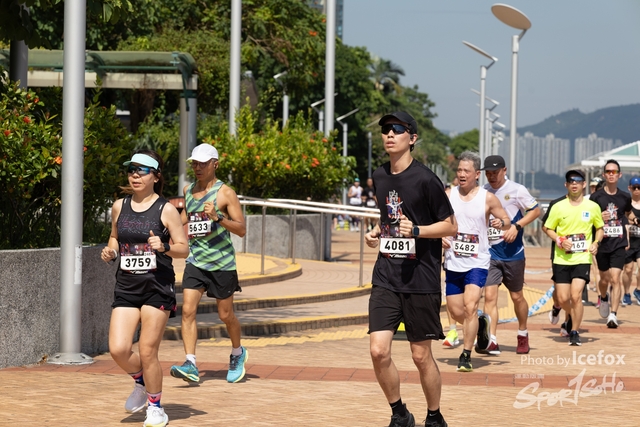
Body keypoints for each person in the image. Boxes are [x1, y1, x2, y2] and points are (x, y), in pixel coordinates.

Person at [365, 111, 456, 427]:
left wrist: (417, 231)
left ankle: (434, 416)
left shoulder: (426, 179)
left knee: (420, 356)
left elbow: (450, 226)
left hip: (421, 279)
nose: (389, 134)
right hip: (386, 276)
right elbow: (389, 218)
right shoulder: (379, 176)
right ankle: (399, 413)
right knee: (378, 351)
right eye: (385, 130)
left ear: (412, 138)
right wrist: (376, 232)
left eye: (397, 129)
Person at [101, 150, 189, 427]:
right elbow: (115, 237)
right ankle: (140, 381)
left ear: (156, 176)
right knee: (118, 349)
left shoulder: (166, 209)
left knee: (148, 350)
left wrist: (164, 246)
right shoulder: (119, 206)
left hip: (157, 286)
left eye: (142, 170)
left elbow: (183, 248)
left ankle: (155, 407)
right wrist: (111, 251)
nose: (135, 175)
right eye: (131, 170)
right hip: (127, 285)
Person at [169, 143, 248, 384]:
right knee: (188, 310)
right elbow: (186, 216)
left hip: (222, 263)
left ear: (215, 164)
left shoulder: (226, 193)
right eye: (194, 163)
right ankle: (190, 363)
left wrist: (218, 217)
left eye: (203, 163)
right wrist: (167, 227)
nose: (198, 167)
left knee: (225, 315)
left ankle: (238, 353)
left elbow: (241, 229)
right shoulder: (188, 190)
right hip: (196, 261)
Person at [443, 151, 511, 372]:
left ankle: (466, 354)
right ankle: (481, 323)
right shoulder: (448, 195)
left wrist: (501, 224)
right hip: (453, 260)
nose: (461, 174)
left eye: (466, 171)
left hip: (477, 261)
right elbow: (437, 220)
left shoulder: (487, 198)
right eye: (459, 170)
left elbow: (506, 220)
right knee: (456, 311)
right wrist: (440, 236)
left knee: (470, 306)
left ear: (477, 174)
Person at [479, 155, 541, 355]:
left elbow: (535, 211)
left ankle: (522, 333)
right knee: (489, 296)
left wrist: (516, 226)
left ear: (504, 170)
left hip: (513, 253)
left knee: (517, 297)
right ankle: (491, 339)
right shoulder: (483, 192)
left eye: (495, 172)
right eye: (488, 173)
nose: (491, 176)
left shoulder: (517, 190)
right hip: (491, 253)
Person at [543, 170, 604, 346]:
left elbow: (599, 228)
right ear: (566, 185)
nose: (574, 184)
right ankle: (570, 314)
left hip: (582, 258)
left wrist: (596, 243)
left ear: (584, 184)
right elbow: (547, 228)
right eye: (571, 181)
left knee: (576, 296)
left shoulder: (592, 207)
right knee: (563, 298)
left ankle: (575, 331)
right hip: (561, 259)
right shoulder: (558, 206)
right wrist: (559, 240)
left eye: (578, 181)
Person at [589, 160, 634, 328]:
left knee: (616, 278)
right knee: (604, 279)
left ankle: (613, 315)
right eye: (608, 171)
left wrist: (635, 221)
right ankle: (603, 297)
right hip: (602, 243)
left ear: (619, 175)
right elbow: (588, 218)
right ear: (604, 175)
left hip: (618, 243)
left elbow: (627, 214)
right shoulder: (596, 197)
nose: (611, 174)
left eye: (614, 172)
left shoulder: (625, 197)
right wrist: (600, 216)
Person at [622, 176, 640, 305]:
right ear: (630, 188)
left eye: (639, 187)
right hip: (629, 241)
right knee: (628, 269)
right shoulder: (626, 203)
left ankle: (638, 290)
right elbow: (622, 219)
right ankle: (626, 293)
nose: (637, 190)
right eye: (634, 188)